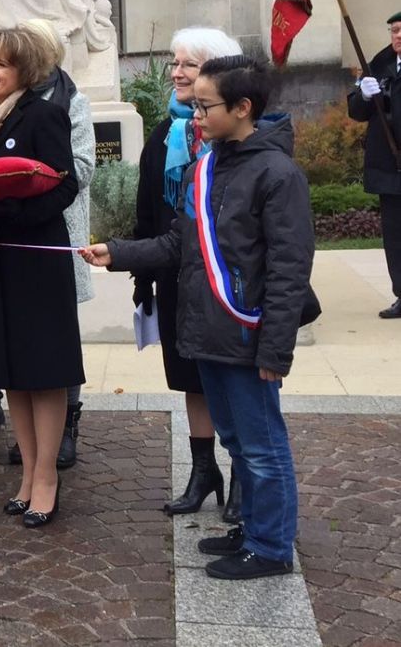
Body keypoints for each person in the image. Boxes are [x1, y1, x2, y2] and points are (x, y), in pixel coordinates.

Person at [84, 55, 314, 579]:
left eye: (204, 106)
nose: (195, 115)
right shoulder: (205, 167)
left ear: (242, 107)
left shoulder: (278, 174)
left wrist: (276, 349)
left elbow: (288, 269)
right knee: (236, 441)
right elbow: (176, 243)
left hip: (247, 333)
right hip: (206, 331)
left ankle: (272, 547)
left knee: (261, 447)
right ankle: (250, 531)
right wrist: (117, 252)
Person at [0, 26, 83, 529]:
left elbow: (62, 187)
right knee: (11, 369)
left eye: (0, 64)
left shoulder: (43, 115)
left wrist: (3, 207)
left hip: (35, 259)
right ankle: (28, 474)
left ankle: (48, 479)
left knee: (43, 371)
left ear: (24, 73)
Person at [132, 27, 243, 520]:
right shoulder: (163, 134)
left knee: (234, 378)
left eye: (189, 65)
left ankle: (244, 476)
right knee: (190, 376)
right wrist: (140, 274)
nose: (176, 73)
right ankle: (204, 470)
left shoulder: (234, 137)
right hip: (175, 276)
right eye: (175, 63)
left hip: (227, 282)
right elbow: (147, 211)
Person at [0, 18, 96, 469]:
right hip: (7, 241)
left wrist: (25, 185)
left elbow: (80, 166)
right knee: (20, 339)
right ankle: (30, 439)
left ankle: (66, 425)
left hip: (56, 232)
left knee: (56, 339)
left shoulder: (70, 101)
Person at [350, 11, 401, 319]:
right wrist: (366, 96)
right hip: (389, 167)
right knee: (395, 236)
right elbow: (356, 112)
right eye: (394, 30)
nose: (398, 36)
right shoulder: (379, 66)